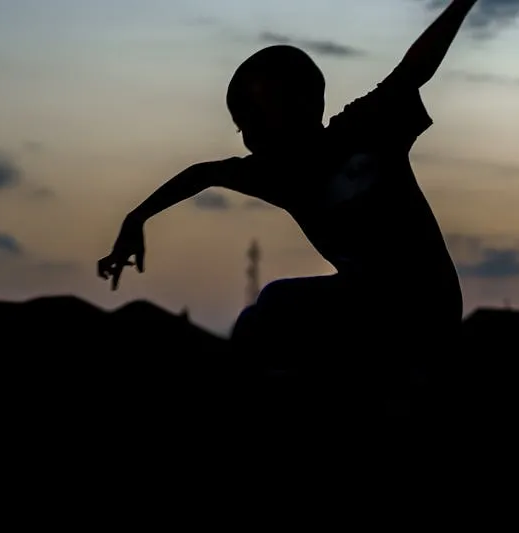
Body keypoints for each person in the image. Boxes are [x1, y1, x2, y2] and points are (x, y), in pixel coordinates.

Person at [98, 0, 477, 357]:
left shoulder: (364, 129)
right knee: (256, 321)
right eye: (241, 127)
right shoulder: (277, 175)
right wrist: (138, 216)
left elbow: (415, 69)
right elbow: (204, 174)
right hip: (370, 313)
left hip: (429, 306)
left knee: (277, 303)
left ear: (304, 104)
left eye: (257, 117)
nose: (250, 137)